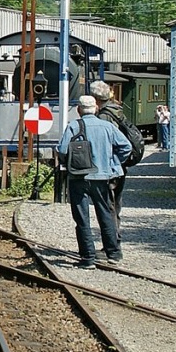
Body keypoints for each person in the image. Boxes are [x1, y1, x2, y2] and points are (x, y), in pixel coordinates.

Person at [58, 94, 132, 269]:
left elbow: (61, 150)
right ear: (96, 108)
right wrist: (112, 162)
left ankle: (88, 258)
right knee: (105, 214)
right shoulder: (107, 127)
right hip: (102, 177)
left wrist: (69, 165)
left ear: (78, 110)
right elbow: (126, 147)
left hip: (78, 177)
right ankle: (113, 253)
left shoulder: (73, 126)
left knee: (82, 218)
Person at [89, 79, 134, 243]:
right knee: (115, 206)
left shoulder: (104, 117)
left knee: (108, 207)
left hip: (111, 170)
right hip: (119, 168)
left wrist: (113, 163)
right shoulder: (117, 110)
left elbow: (118, 144)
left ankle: (112, 245)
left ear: (95, 99)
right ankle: (114, 241)